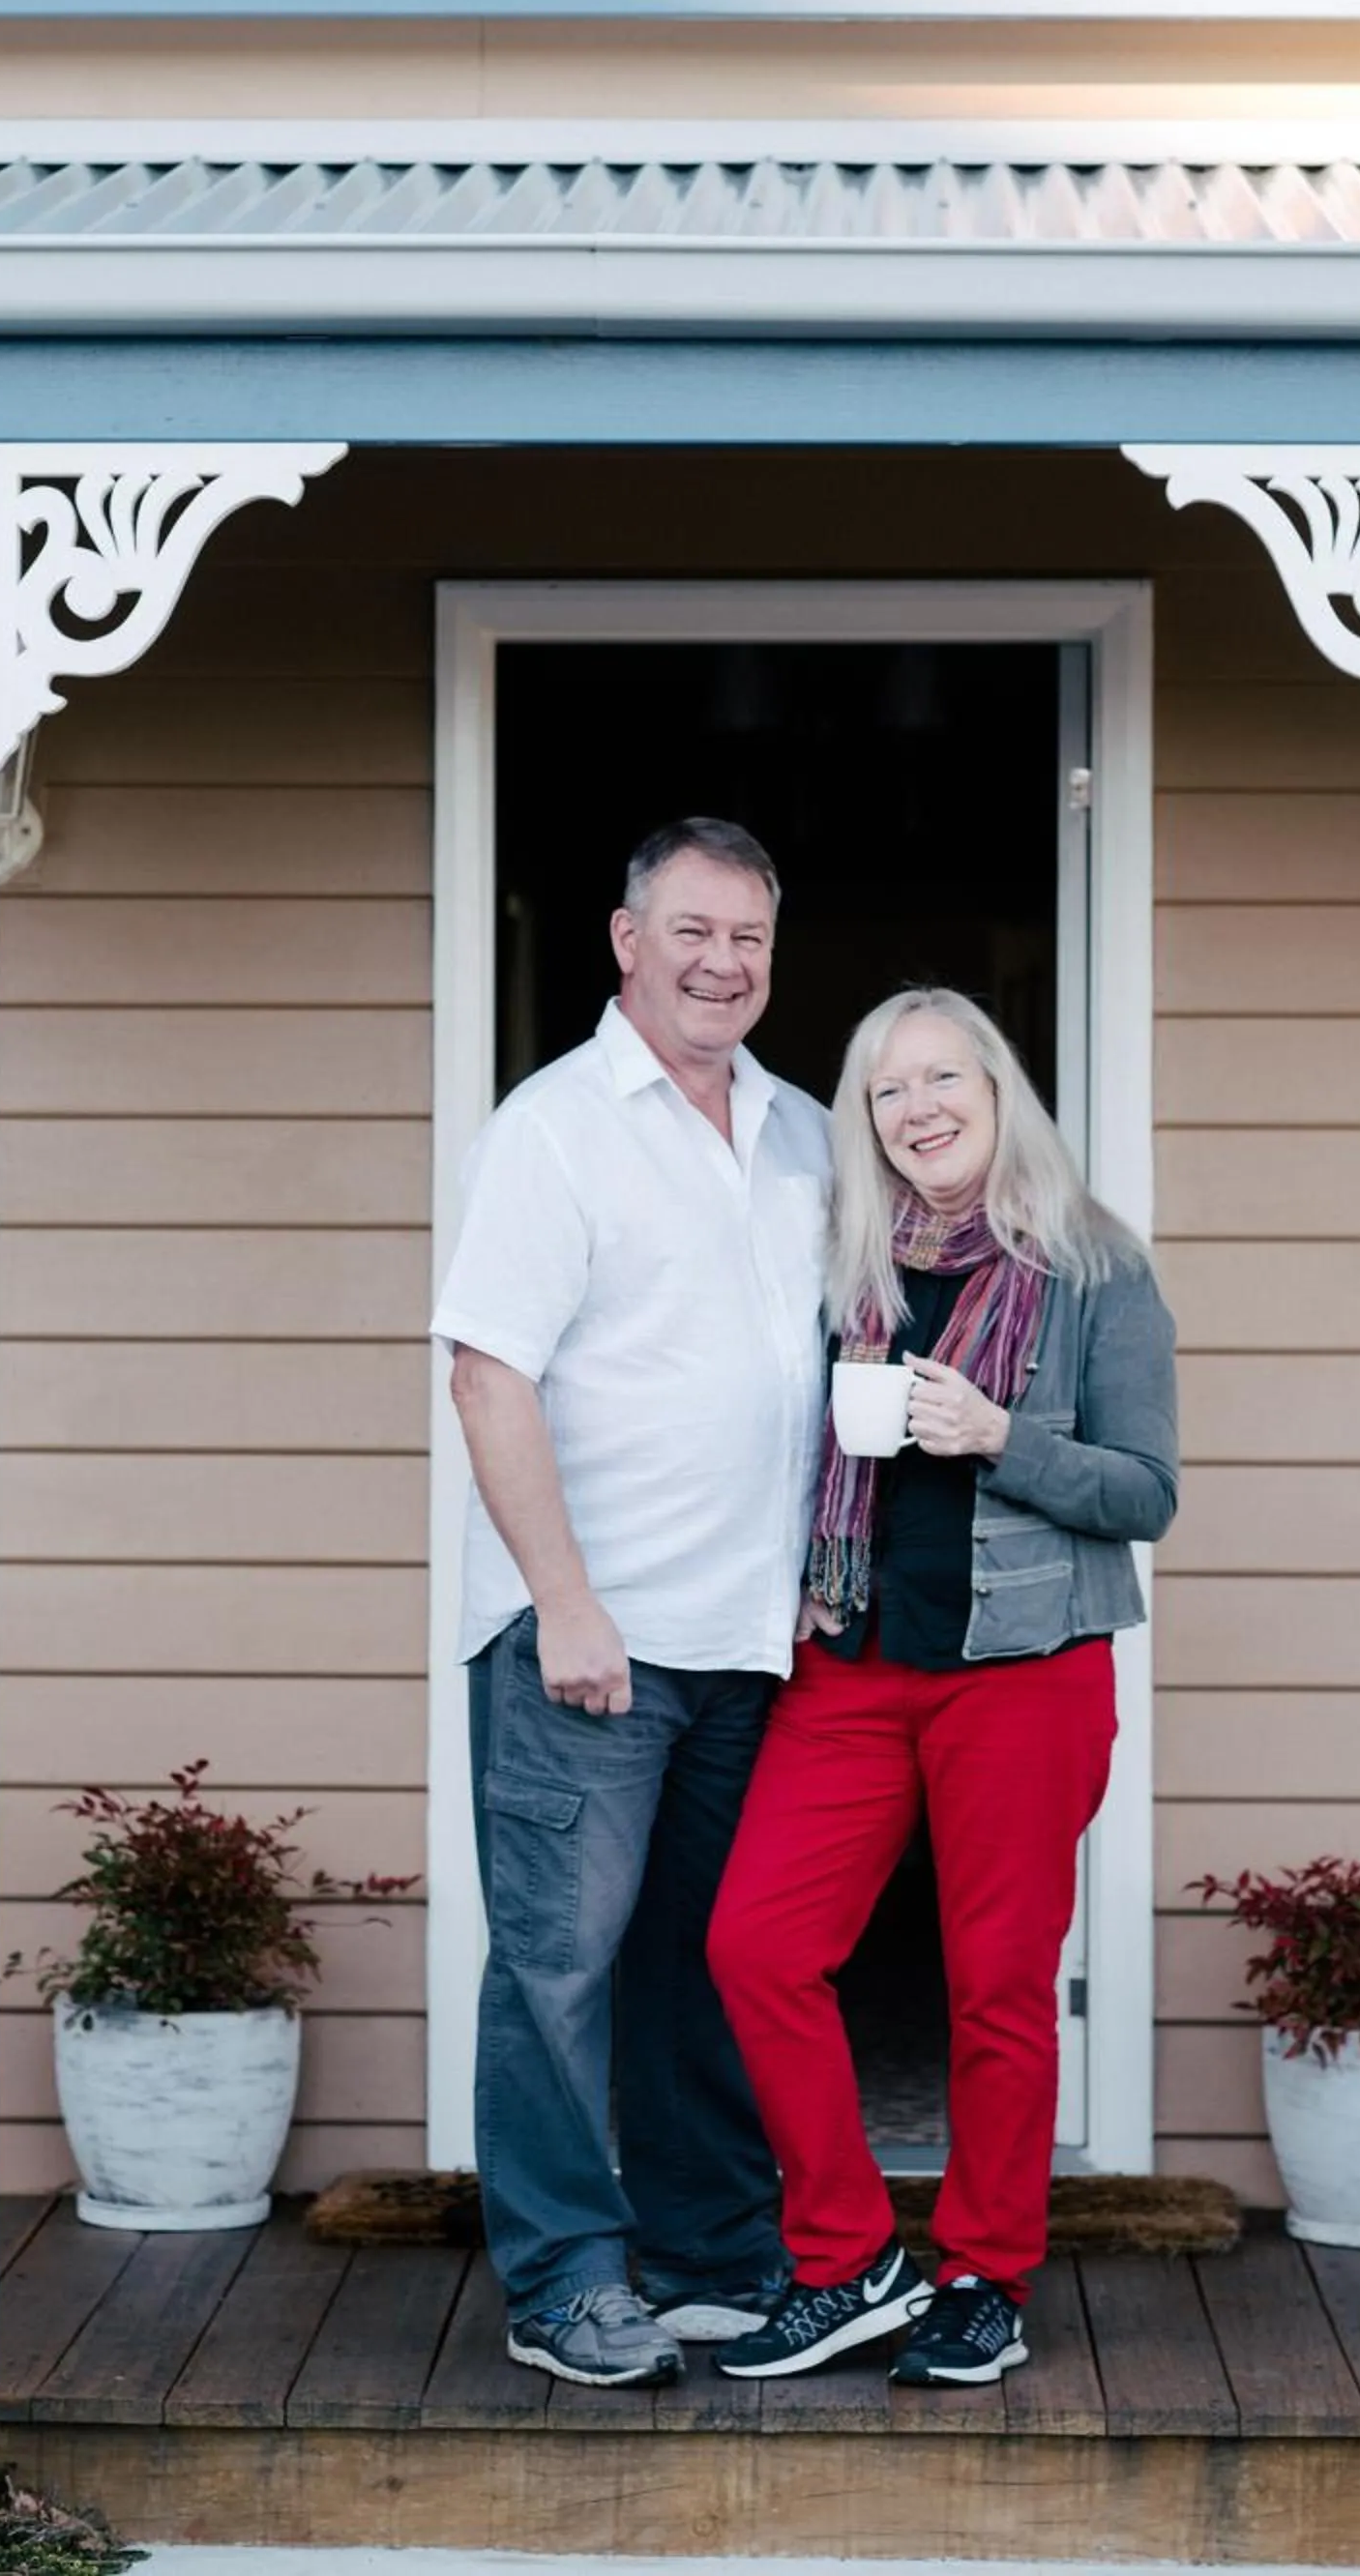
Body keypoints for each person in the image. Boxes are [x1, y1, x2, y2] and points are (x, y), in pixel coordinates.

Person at [707, 987, 1178, 2386]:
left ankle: (985, 2275)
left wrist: (999, 1436)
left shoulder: (1097, 1269)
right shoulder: (843, 1270)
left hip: (1022, 1678)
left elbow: (1146, 1493)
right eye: (885, 1090)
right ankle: (848, 2261)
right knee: (756, 1947)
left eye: (939, 1078)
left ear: (996, 1086)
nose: (916, 1109)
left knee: (997, 1989)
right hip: (848, 1662)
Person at [431, 817, 831, 2387]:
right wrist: (565, 1602)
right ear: (624, 939)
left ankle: (716, 2251)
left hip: (750, 1637)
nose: (721, 963)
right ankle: (564, 2286)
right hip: (587, 1638)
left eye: (748, 938)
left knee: (704, 1955)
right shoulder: (553, 1128)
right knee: (558, 1966)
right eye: (691, 930)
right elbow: (485, 1374)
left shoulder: (801, 1130)